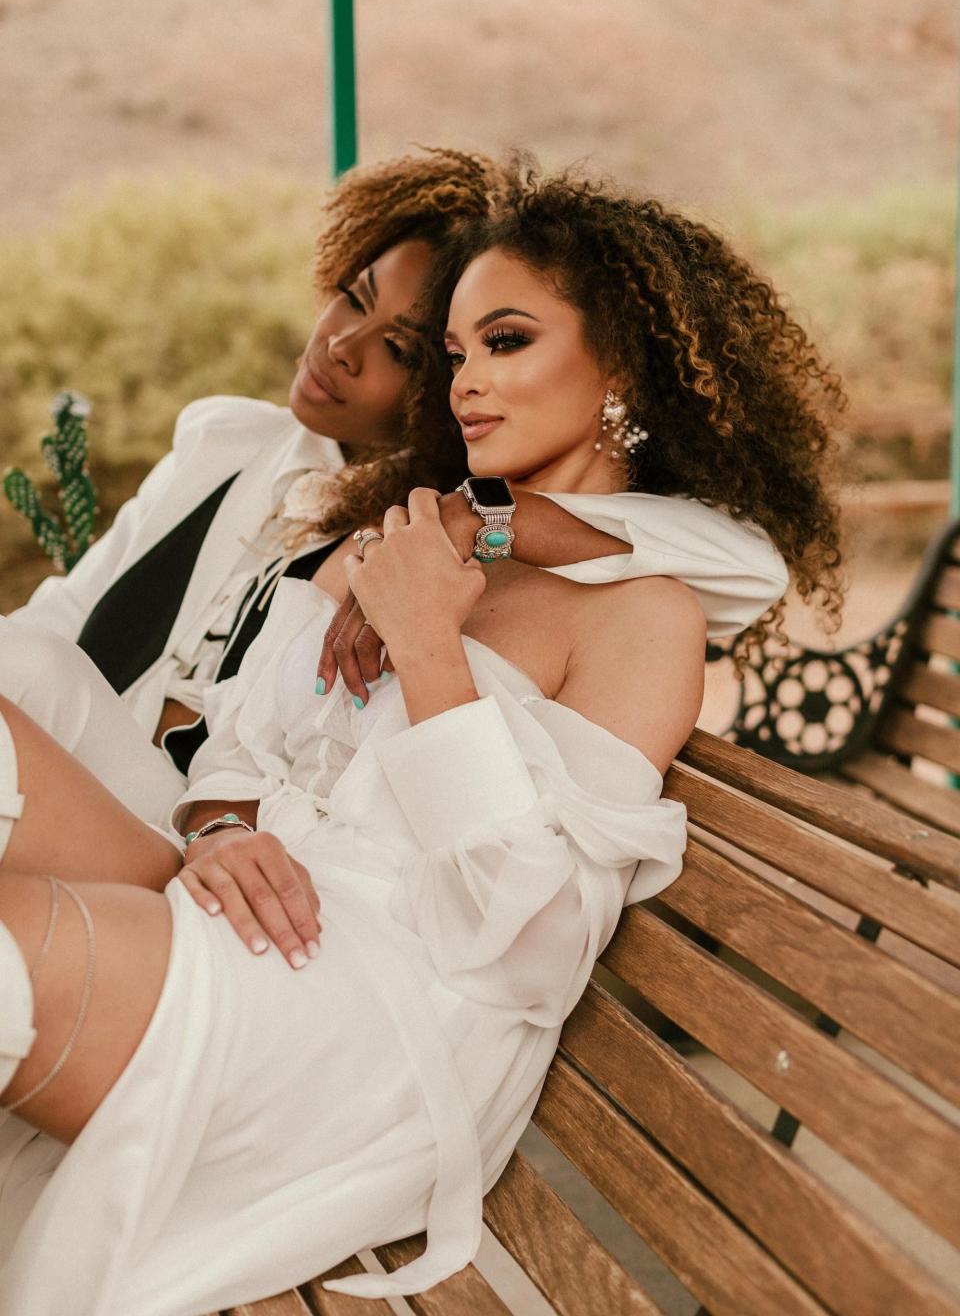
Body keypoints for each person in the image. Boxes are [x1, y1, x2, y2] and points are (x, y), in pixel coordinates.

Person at [0, 167, 843, 1314]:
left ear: (624, 367)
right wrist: (223, 826)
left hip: (378, 1011)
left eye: (505, 340)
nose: (470, 382)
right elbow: (239, 752)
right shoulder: (399, 548)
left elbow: (530, 950)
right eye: (453, 356)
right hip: (260, 905)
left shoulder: (644, 615)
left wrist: (433, 653)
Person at [0, 149, 787, 826]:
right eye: (353, 297)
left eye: (406, 352)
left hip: (201, 817)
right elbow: (69, 613)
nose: (342, 345)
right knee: (30, 658)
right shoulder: (229, 441)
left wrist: (488, 514)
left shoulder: (432, 514)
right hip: (115, 772)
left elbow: (743, 563)